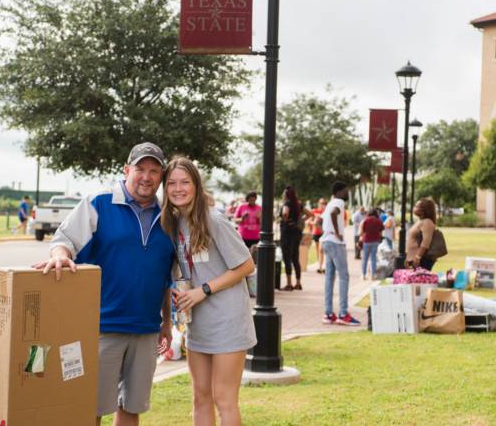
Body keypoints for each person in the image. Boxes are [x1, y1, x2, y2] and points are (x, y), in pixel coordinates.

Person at [33, 142, 176, 426]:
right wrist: (61, 256)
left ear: (161, 177)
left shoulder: (169, 217)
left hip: (146, 330)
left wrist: (166, 324)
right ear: (126, 170)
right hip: (101, 327)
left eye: (154, 170)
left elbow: (165, 276)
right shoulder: (98, 203)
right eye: (140, 169)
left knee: (131, 408)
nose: (146, 176)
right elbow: (64, 242)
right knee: (91, 409)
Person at [161, 157, 256, 426]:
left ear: (196, 185)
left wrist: (203, 290)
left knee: (224, 399)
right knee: (200, 397)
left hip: (227, 321)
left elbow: (246, 265)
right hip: (198, 323)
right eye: (172, 183)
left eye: (185, 182)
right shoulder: (176, 222)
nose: (178, 189)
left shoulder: (214, 219)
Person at [320, 181, 360, 326]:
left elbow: (321, 220)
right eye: (345, 191)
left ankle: (329, 313)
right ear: (338, 192)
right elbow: (332, 214)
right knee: (344, 276)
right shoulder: (339, 202)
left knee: (329, 278)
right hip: (335, 243)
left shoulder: (330, 202)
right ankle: (343, 313)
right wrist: (337, 233)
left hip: (326, 240)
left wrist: (330, 231)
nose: (346, 194)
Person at [279, 186, 311, 291]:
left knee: (287, 258)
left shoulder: (287, 204)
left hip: (287, 233)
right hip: (297, 233)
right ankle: (298, 283)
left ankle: (289, 284)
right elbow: (310, 214)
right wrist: (299, 220)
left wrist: (286, 220)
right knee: (295, 258)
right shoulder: (298, 205)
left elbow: (285, 212)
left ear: (286, 195)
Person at [406, 198, 439, 271]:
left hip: (421, 259)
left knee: (420, 281)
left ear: (424, 209)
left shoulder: (427, 222)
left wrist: (418, 257)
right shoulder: (420, 221)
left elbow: (426, 242)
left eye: (417, 206)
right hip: (413, 257)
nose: (414, 208)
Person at [359, 209, 384, 280]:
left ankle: (363, 275)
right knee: (373, 258)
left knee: (365, 258)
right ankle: (373, 275)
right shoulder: (378, 220)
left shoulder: (365, 220)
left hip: (366, 241)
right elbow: (381, 231)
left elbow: (361, 232)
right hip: (375, 241)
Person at [311, 198, 327, 273]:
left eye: (324, 203)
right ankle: (320, 265)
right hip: (316, 233)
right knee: (318, 250)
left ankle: (322, 266)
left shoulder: (326, 212)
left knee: (322, 249)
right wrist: (313, 223)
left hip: (323, 233)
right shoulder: (314, 211)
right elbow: (309, 221)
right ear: (318, 203)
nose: (322, 205)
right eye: (321, 203)